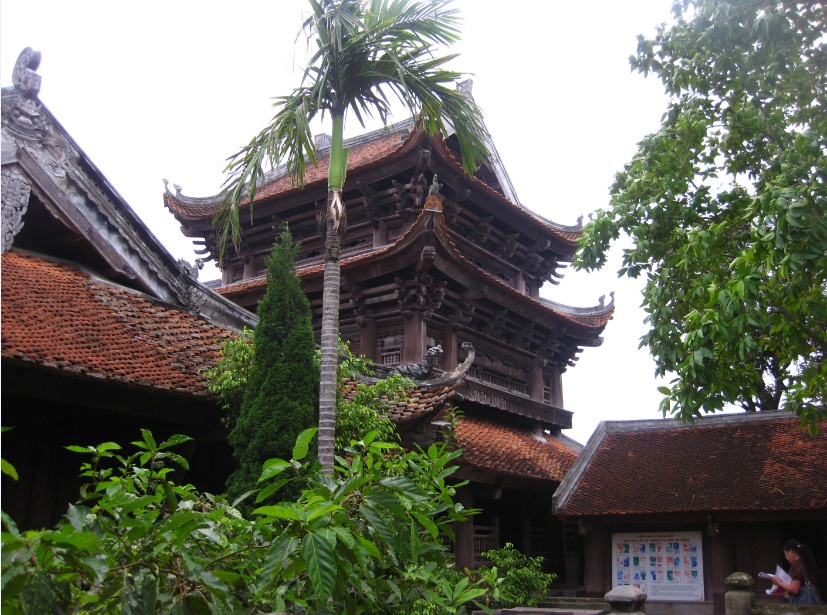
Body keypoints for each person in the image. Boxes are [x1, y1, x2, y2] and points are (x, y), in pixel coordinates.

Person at [771, 539, 823, 605]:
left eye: (785, 554)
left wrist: (778, 581)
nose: (786, 558)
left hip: (802, 603)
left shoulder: (796, 566)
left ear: (790, 551)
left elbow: (794, 589)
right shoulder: (805, 563)